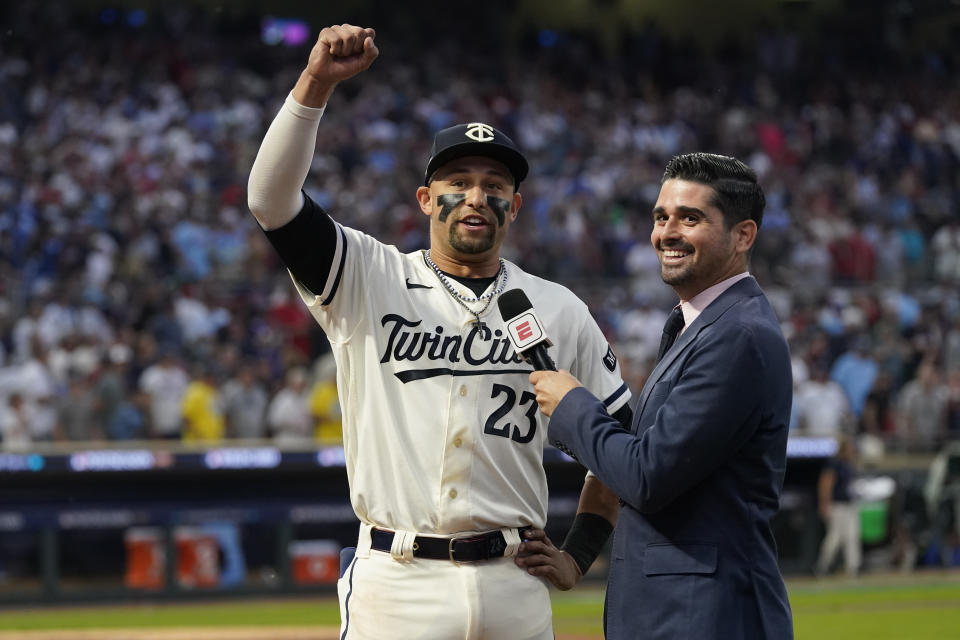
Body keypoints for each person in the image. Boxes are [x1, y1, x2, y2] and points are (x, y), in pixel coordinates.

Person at [246, 24, 632, 639]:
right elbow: (269, 198)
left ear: (515, 205)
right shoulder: (367, 277)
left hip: (514, 580)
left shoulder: (559, 308)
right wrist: (316, 83)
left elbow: (619, 445)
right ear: (427, 199)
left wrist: (578, 554)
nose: (476, 197)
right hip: (397, 583)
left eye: (495, 186)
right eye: (458, 183)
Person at [524, 153, 794, 639]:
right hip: (678, 612)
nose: (667, 232)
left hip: (705, 616)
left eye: (690, 218)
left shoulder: (739, 336)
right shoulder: (698, 324)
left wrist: (572, 403)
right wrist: (577, 558)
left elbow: (646, 476)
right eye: (661, 216)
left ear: (743, 235)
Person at [814, 437, 861, 577]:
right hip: (837, 505)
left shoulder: (850, 465)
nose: (852, 451)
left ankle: (853, 568)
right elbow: (825, 484)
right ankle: (822, 567)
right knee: (834, 538)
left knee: (852, 536)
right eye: (849, 449)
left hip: (850, 505)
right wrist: (824, 503)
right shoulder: (834, 464)